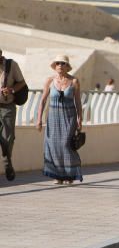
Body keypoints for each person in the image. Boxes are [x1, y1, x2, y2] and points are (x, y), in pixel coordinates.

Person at [36, 54, 83, 185]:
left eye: (63, 63)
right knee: (53, 146)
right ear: (54, 66)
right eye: (57, 63)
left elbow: (78, 101)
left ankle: (70, 175)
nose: (60, 66)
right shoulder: (50, 81)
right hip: (53, 118)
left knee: (66, 145)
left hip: (69, 117)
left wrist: (80, 118)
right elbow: (43, 100)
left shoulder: (74, 81)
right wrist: (39, 119)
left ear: (67, 66)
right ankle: (57, 176)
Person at [0, 49, 27, 181]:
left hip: (7, 107)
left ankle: (7, 162)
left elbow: (22, 83)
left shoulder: (11, 65)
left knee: (7, 138)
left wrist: (11, 89)